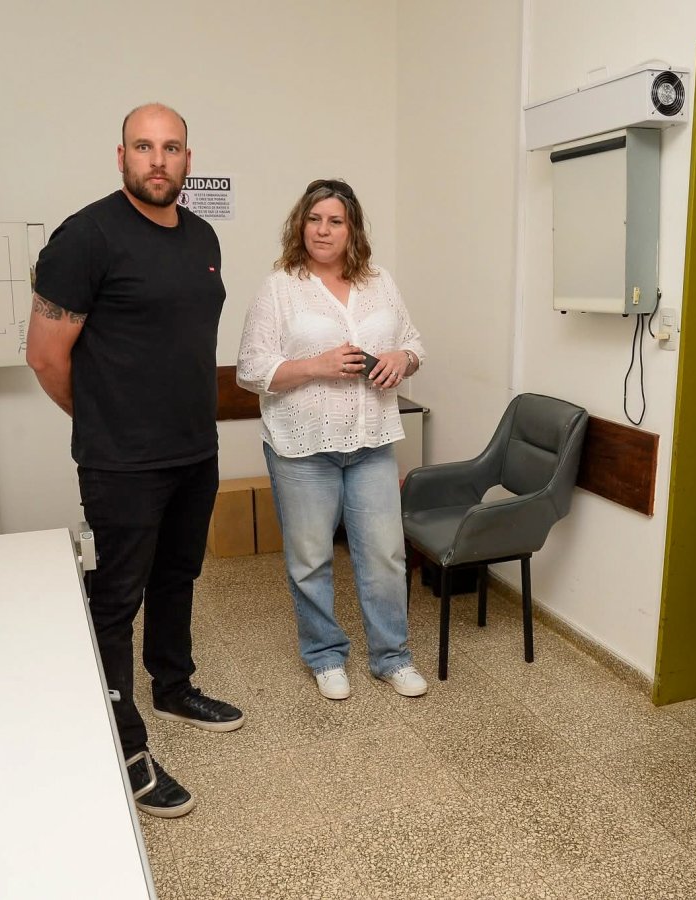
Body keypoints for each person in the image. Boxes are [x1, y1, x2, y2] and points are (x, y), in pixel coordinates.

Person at [27, 103, 244, 819]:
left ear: (188, 159)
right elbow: (46, 356)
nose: (158, 159)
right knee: (117, 600)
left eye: (171, 147)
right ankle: (124, 745)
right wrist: (108, 424)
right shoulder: (86, 237)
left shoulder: (202, 235)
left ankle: (172, 686)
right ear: (120, 156)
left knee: (179, 575)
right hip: (122, 462)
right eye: (144, 147)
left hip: (195, 449)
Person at [236, 179, 428, 701]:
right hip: (301, 448)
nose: (323, 230)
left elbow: (413, 343)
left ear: (352, 229)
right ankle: (325, 655)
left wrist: (402, 359)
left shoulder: (379, 282)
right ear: (300, 225)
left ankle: (392, 657)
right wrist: (315, 365)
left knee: (385, 556)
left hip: (371, 440)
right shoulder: (280, 286)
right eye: (314, 219)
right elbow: (250, 369)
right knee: (310, 560)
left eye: (335, 221)